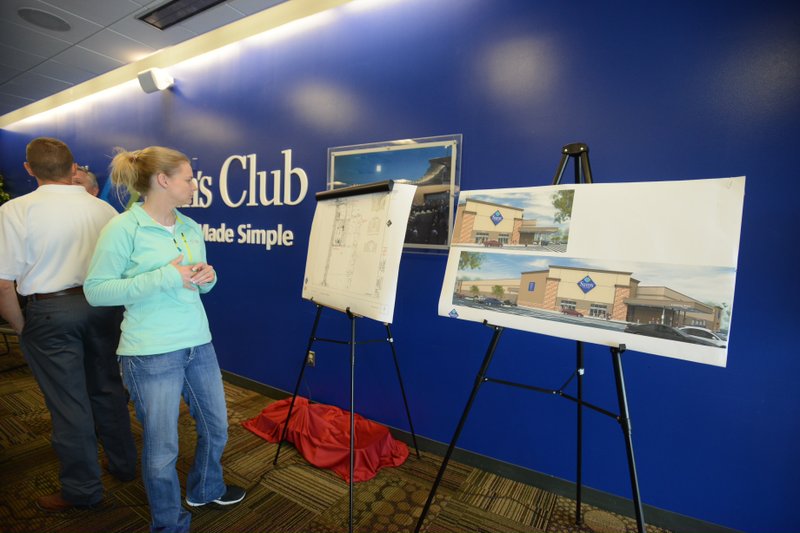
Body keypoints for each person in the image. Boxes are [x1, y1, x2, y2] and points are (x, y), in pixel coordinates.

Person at [84, 146, 244, 533]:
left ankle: (206, 488)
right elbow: (96, 291)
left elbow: (196, 282)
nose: (195, 184)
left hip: (197, 343)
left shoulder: (190, 226)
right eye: (188, 177)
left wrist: (208, 277)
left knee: (217, 426)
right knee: (162, 448)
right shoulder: (123, 229)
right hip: (150, 353)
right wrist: (167, 276)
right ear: (163, 180)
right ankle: (169, 524)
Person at [0, 137, 137, 512]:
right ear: (73, 168)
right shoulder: (105, 210)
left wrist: (20, 326)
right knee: (108, 389)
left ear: (29, 170)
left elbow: (3, 285)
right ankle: (125, 465)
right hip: (104, 309)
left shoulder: (15, 211)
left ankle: (82, 491)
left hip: (48, 313)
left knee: (69, 403)